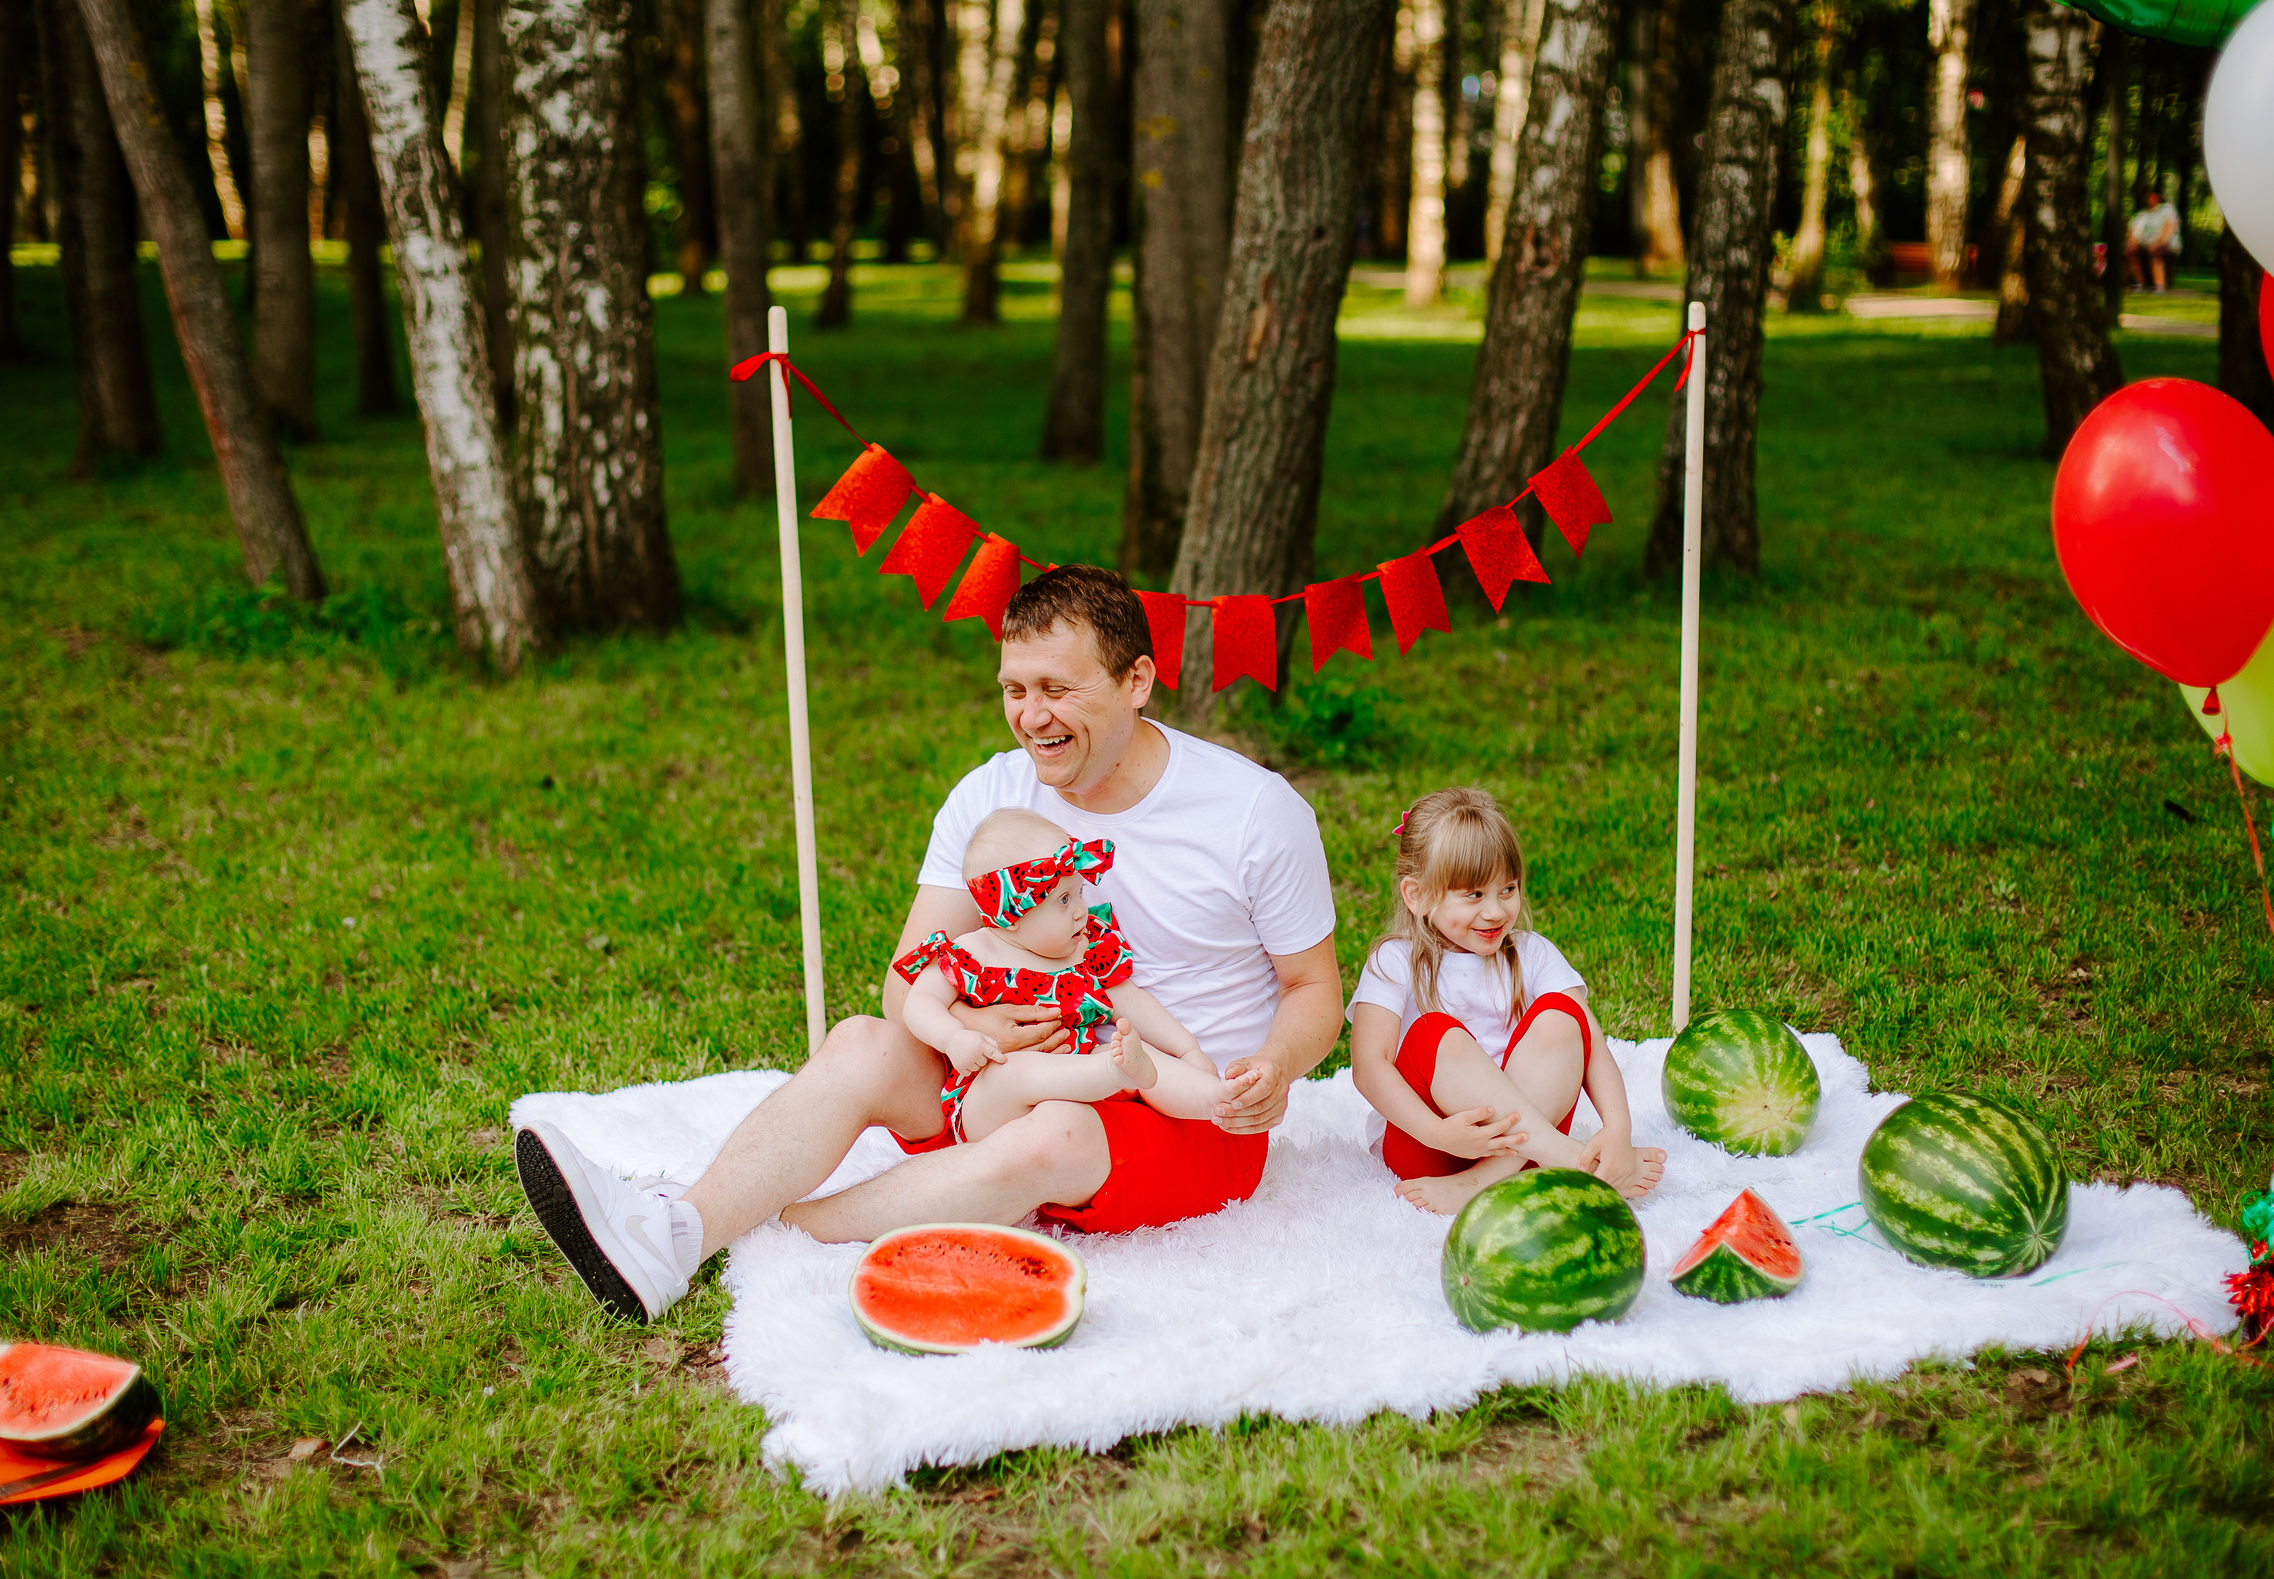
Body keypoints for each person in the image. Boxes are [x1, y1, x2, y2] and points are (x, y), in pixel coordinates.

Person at [513, 565, 1343, 1321]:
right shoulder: (991, 795)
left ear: (1137, 681)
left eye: (1058, 688)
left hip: (1184, 1112)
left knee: (1055, 1128)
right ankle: (678, 1228)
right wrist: (979, 1030)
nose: (1032, 716)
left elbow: (1313, 990)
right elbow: (908, 980)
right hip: (999, 1080)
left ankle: (768, 1229)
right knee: (862, 1043)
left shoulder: (1252, 811)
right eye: (1014, 688)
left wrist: (1271, 1067)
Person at [1347, 787, 1665, 1216]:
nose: (1496, 911)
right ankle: (1575, 1161)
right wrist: (1439, 1133)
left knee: (1565, 1016)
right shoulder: (1395, 959)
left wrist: (1618, 1132)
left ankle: (1484, 1181)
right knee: (1434, 1032)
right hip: (1434, 1146)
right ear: (1416, 895)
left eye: (1508, 889)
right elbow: (1369, 1068)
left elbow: (1592, 1044)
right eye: (1474, 895)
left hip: (1527, 1148)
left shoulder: (1533, 953)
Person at [896, 808, 1230, 1141]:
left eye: (1080, 893)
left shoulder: (1083, 951)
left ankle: (1213, 1099)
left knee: (1135, 1054)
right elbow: (919, 1001)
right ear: (1010, 913)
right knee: (1016, 1072)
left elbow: (1131, 1002)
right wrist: (953, 1037)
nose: (1081, 911)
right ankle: (1116, 1073)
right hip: (993, 1103)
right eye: (1064, 899)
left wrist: (1187, 1049)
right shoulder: (971, 953)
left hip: (1077, 1091)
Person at [2125, 192, 2181, 294]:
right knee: (2131, 251)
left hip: (2166, 244)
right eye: (2149, 197)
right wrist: (2132, 242)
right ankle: (2140, 283)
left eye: (2153, 197)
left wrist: (2158, 242)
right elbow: (2131, 230)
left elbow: (2169, 228)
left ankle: (2160, 285)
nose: (2151, 200)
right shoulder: (2142, 214)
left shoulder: (2167, 210)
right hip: (2144, 244)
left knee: (2155, 251)